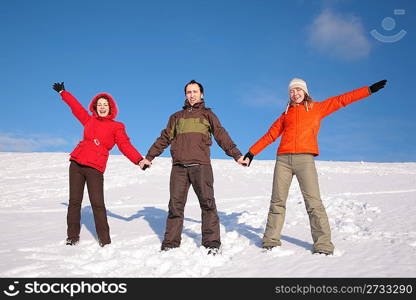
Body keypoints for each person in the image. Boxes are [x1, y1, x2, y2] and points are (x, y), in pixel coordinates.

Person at [243, 78, 387, 255]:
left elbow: (342, 100)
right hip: (283, 161)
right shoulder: (285, 115)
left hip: (305, 160)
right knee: (277, 201)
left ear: (305, 92)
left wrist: (368, 90)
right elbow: (270, 135)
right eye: (292, 91)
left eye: (298, 90)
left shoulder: (317, 108)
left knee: (313, 202)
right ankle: (270, 239)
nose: (295, 93)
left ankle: (323, 244)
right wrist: (251, 153)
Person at [140, 80, 247, 255]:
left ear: (201, 94)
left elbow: (221, 135)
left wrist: (236, 155)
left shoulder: (208, 115)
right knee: (175, 206)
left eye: (195, 91)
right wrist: (149, 157)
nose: (192, 95)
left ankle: (212, 243)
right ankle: (171, 243)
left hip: (201, 166)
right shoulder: (176, 117)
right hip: (179, 168)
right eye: (189, 92)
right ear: (185, 95)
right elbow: (164, 138)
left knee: (207, 204)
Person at [52, 82, 144, 247]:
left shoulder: (117, 126)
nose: (102, 107)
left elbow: (125, 145)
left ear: (111, 107)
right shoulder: (89, 120)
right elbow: (76, 108)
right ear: (95, 107)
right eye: (99, 104)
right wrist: (63, 93)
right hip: (77, 163)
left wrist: (138, 159)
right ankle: (72, 238)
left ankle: (105, 241)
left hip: (95, 167)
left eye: (105, 105)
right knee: (74, 202)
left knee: (97, 203)